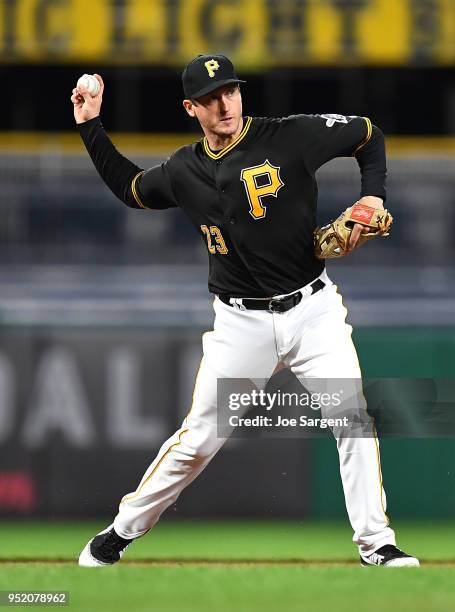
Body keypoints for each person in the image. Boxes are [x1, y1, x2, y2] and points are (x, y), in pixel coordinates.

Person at [72, 54, 419, 568]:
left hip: (313, 311)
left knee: (353, 421)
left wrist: (372, 195)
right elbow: (131, 188)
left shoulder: (290, 136)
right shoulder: (184, 169)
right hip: (240, 324)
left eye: (230, 91)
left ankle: (378, 543)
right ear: (191, 107)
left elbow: (368, 134)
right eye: (210, 98)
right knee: (197, 442)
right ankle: (119, 532)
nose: (224, 103)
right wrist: (90, 125)